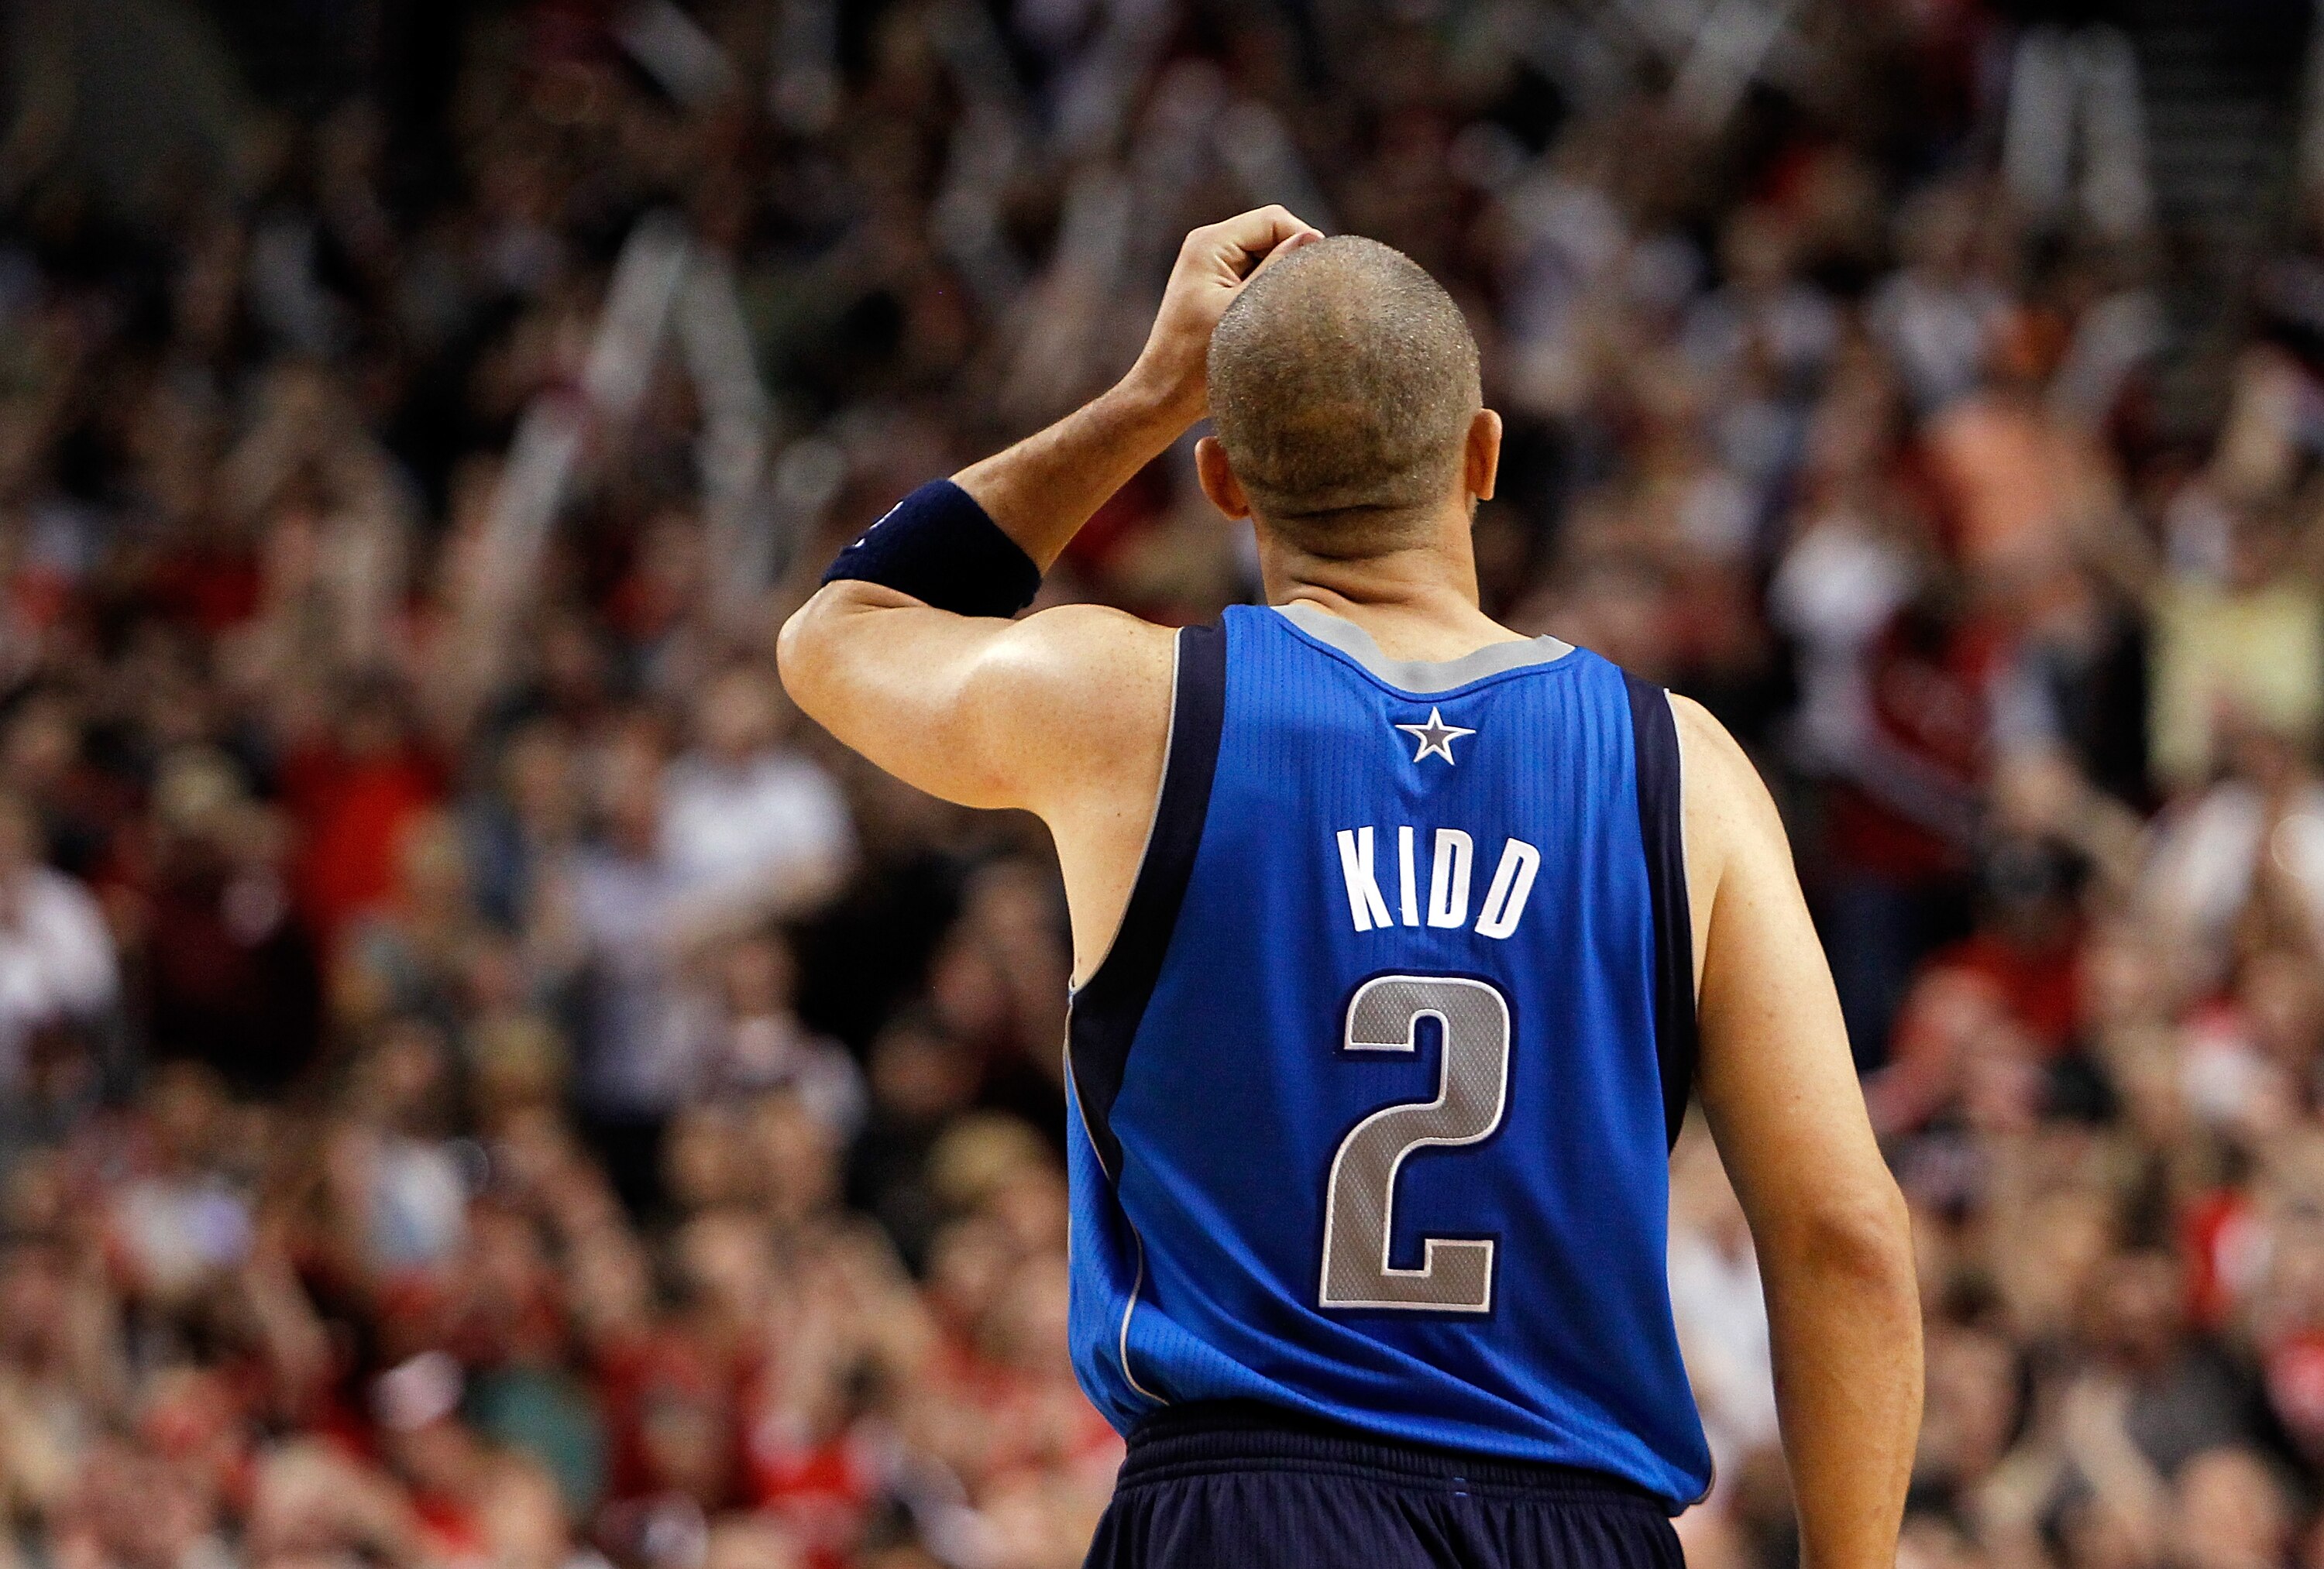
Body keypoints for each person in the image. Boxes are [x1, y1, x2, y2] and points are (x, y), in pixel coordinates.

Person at [779, 209, 1921, 1567]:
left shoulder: (1129, 705)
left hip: (1247, 1510)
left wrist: (1143, 398)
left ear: (1221, 481)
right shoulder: (1685, 770)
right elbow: (1844, 1233)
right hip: (1583, 1528)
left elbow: (840, 629)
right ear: (1483, 455)